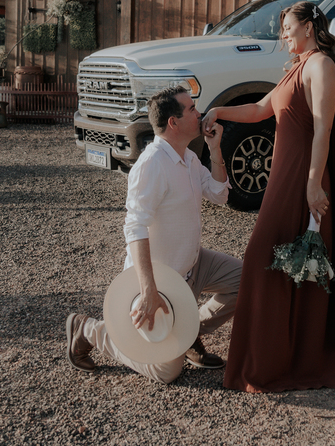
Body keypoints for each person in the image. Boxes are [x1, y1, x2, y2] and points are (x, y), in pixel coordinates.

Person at [205, 1, 335, 392]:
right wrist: (219, 111)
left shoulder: (321, 66)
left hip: (303, 178)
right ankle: (277, 355)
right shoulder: (296, 67)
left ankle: (288, 359)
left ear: (308, 27)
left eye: (288, 27)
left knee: (270, 259)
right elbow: (260, 109)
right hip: (284, 178)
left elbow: (323, 129)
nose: (283, 35)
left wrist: (313, 183)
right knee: (278, 262)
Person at [65, 85, 240, 384]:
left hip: (195, 265)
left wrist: (214, 150)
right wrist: (148, 290)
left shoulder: (188, 157)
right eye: (191, 109)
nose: (199, 114)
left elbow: (219, 195)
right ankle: (89, 331)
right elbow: (134, 227)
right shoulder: (152, 164)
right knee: (166, 372)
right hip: (161, 280)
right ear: (173, 122)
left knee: (247, 280)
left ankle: (187, 333)